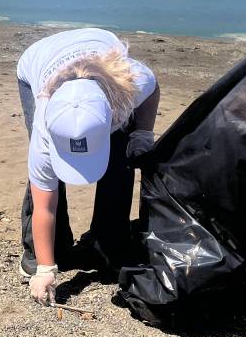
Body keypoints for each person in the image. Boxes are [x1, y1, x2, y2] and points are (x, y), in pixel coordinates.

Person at [16, 28, 160, 306]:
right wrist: (46, 269)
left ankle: (108, 243)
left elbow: (152, 88)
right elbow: (44, 203)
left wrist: (143, 133)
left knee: (121, 158)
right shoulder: (45, 128)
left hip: (106, 76)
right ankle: (41, 252)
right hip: (38, 59)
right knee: (44, 178)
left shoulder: (130, 85)